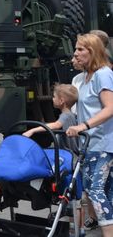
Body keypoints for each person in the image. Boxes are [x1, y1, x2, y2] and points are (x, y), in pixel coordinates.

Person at [23, 84, 86, 236]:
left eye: (54, 96)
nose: (52, 98)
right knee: (71, 196)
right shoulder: (70, 115)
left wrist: (32, 130)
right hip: (69, 158)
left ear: (62, 101)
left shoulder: (66, 116)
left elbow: (56, 125)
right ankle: (76, 227)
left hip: (70, 159)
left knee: (73, 196)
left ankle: (78, 228)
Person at [66, 33, 113, 237]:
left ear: (92, 51)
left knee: (95, 191)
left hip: (104, 143)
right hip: (89, 145)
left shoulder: (103, 74)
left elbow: (110, 108)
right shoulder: (84, 78)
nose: (75, 53)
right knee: (104, 191)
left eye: (80, 49)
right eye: (76, 48)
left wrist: (84, 125)